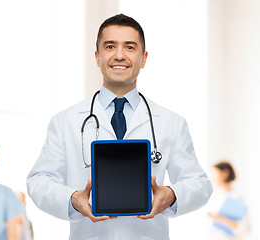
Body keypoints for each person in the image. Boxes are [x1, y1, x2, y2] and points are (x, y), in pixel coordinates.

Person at [27, 14, 213, 239]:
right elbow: (39, 181)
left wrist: (172, 195)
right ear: (97, 57)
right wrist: (72, 199)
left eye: (130, 47)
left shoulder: (171, 122)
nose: (119, 55)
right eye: (110, 46)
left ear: (143, 58)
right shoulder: (65, 121)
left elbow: (200, 184)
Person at [207, 161, 250, 239]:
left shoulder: (236, 197)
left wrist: (219, 218)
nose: (211, 178)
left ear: (225, 173)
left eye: (214, 174)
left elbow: (245, 227)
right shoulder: (212, 196)